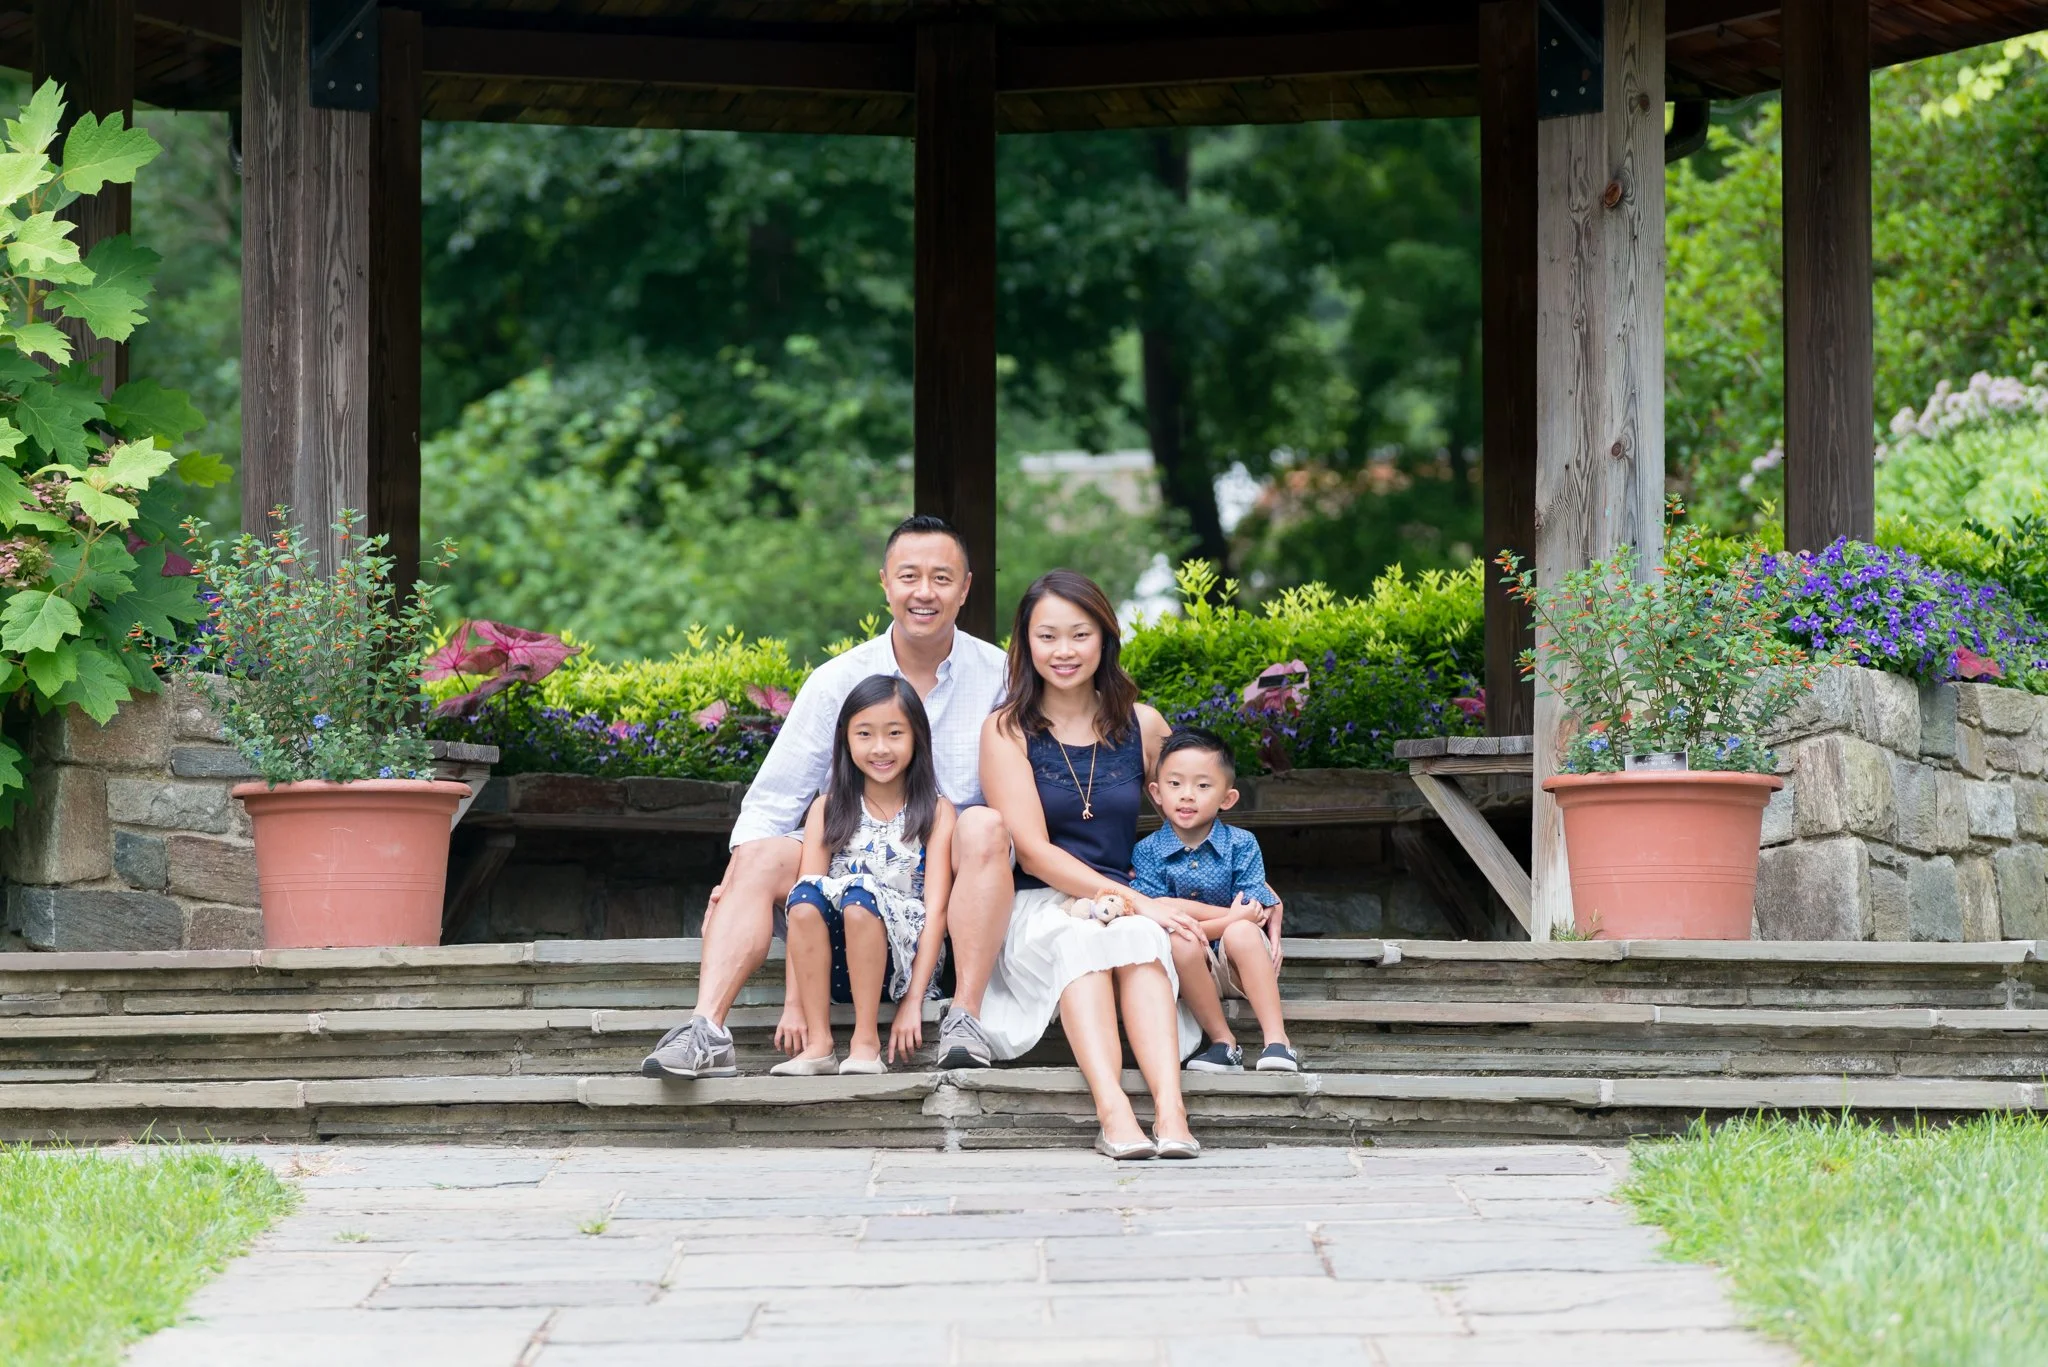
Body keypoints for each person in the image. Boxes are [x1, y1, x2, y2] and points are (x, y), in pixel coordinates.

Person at [641, 516, 1012, 1079]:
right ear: (884, 583)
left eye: (942, 577)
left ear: (965, 588)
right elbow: (773, 799)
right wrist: (737, 875)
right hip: (846, 853)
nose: (924, 592)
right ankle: (706, 1030)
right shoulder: (839, 679)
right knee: (760, 854)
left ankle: (964, 1016)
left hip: (944, 861)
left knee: (984, 824)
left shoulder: (1000, 675)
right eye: (909, 575)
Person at [975, 569, 1206, 1160]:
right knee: (1085, 942)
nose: (1064, 651)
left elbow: (1195, 806)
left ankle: (1173, 1113)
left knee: (1136, 937)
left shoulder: (1144, 724)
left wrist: (1248, 885)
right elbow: (1032, 850)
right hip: (1039, 904)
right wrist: (1140, 900)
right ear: (1025, 644)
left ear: (1104, 637)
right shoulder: (1007, 730)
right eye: (1047, 636)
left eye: (1079, 635)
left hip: (1125, 900)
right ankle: (1114, 1113)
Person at [771, 675, 955, 1077]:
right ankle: (819, 1044)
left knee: (859, 897)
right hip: (836, 968)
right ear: (845, 740)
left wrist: (913, 1003)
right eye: (865, 734)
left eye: (894, 733)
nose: (880, 748)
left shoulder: (936, 812)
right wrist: (792, 1005)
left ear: (917, 737)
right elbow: (803, 903)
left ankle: (865, 1041)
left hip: (899, 969)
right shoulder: (829, 808)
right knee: (805, 897)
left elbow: (937, 911)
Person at [1130, 727, 1298, 1074]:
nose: (1187, 795)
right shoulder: (1146, 851)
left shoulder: (1242, 844)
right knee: (1180, 937)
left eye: (1203, 786)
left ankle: (1278, 1042)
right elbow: (1157, 913)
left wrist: (1219, 918)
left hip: (1241, 965)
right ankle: (1225, 1043)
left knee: (1241, 934)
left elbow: (1255, 912)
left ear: (1227, 798)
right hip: (1189, 969)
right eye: (1175, 784)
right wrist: (1226, 919)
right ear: (1156, 792)